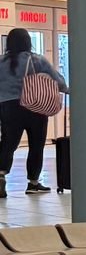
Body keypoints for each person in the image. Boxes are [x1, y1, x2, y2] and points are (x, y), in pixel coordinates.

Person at [0, 27, 68, 196]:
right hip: (35, 106)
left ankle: (0, 175)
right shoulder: (36, 60)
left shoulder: (1, 62)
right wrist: (67, 90)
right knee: (36, 145)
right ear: (28, 42)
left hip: (8, 107)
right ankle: (33, 183)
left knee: (8, 143)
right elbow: (57, 80)